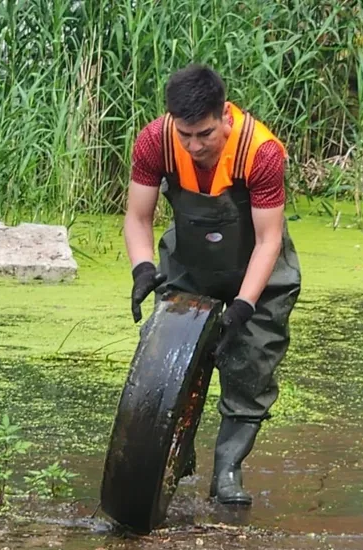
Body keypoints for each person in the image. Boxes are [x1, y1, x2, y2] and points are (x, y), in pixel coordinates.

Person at [122, 63, 301, 506]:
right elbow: (138, 216)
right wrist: (144, 269)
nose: (194, 145)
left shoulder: (260, 153)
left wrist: (242, 308)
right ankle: (173, 457)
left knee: (248, 367)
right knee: (170, 364)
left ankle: (227, 472)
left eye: (204, 133)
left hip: (258, 270)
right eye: (185, 134)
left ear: (224, 115)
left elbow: (268, 240)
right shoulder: (154, 141)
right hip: (190, 264)